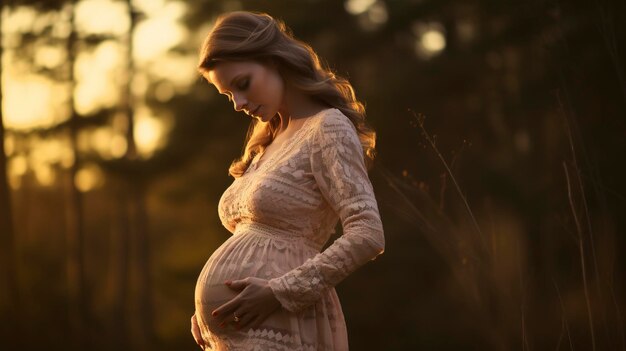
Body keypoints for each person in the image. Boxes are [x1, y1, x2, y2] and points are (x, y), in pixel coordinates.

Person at [191, 11, 385, 350]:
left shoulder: (328, 126)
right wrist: (206, 312)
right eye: (227, 95)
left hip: (285, 320)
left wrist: (280, 291)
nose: (238, 103)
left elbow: (368, 234)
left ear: (274, 60)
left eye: (242, 84)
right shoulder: (269, 139)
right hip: (242, 330)